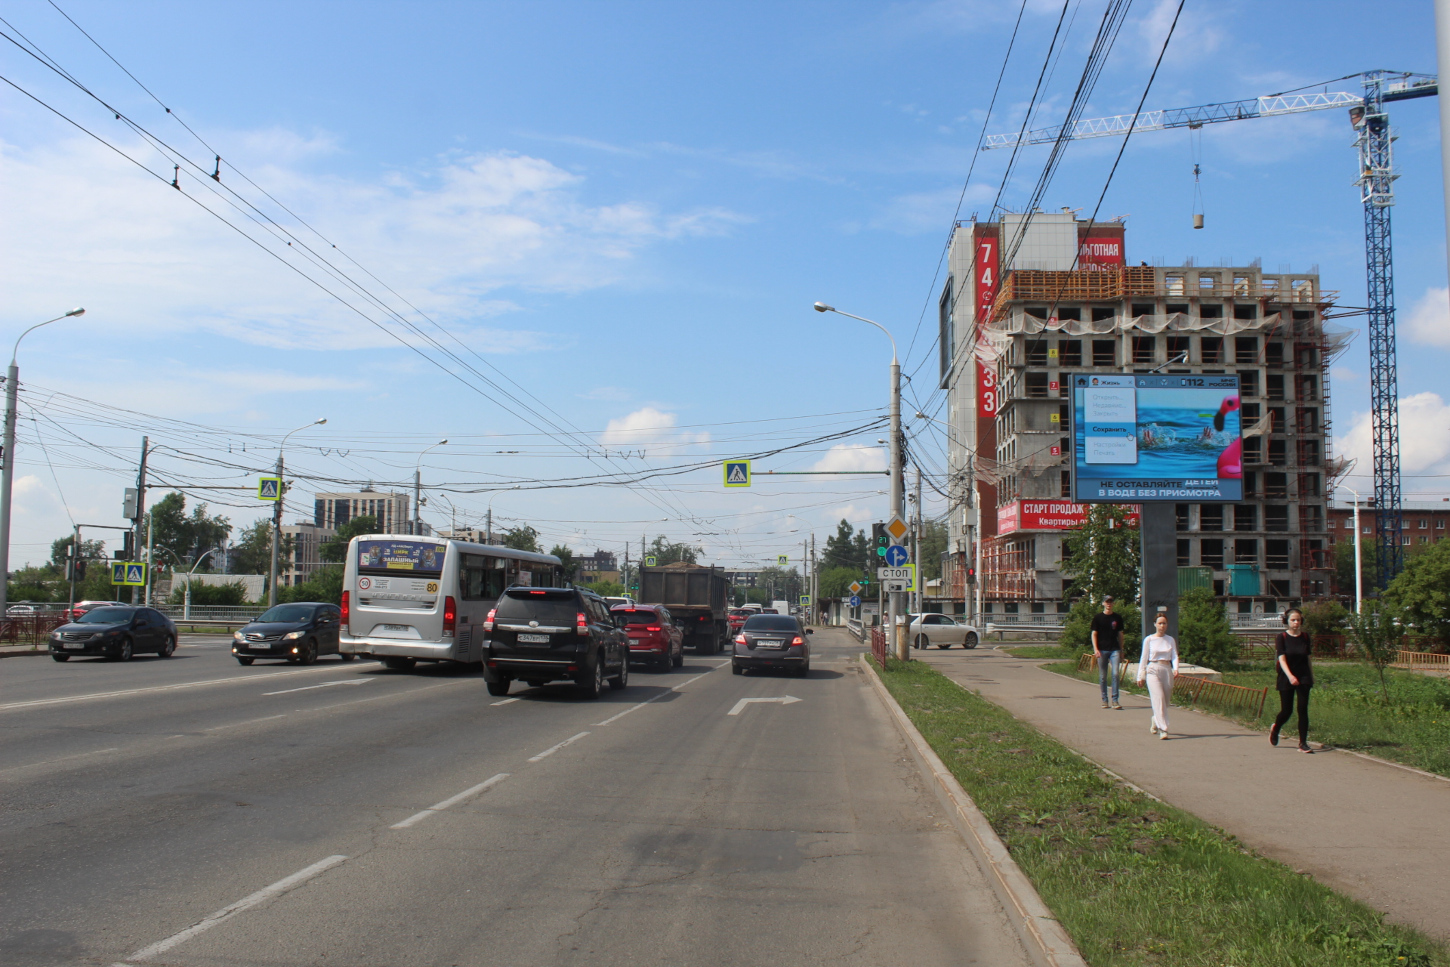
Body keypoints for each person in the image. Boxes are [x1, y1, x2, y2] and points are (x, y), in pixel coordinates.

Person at [1271, 607, 1315, 753]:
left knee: (1303, 709)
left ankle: (1303, 743)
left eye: (1299, 620)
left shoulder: (1306, 637)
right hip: (1286, 676)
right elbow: (1281, 658)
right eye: (1293, 620)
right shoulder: (1282, 637)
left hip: (1303, 676)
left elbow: (1308, 657)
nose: (1296, 623)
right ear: (1287, 621)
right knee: (1287, 710)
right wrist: (1290, 676)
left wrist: (1311, 676)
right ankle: (1276, 727)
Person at [1135, 612, 1179, 739]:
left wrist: (1176, 668)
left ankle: (1155, 719)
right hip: (1153, 669)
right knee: (1158, 698)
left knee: (1165, 701)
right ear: (1155, 624)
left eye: (1164, 623)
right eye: (1160, 623)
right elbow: (1143, 658)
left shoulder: (1170, 639)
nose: (1162, 626)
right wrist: (1140, 676)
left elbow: (1175, 655)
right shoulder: (1149, 639)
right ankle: (1163, 729)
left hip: (1166, 669)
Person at [1090, 595, 1126, 709]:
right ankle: (1104, 700)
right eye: (1107, 602)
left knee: (1115, 673)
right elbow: (1094, 634)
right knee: (1103, 676)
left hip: (1114, 649)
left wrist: (1121, 649)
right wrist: (1096, 649)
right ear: (1103, 603)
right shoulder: (1098, 618)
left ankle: (1115, 700)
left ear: (1113, 604)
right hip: (1102, 650)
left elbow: (1120, 634)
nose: (1109, 604)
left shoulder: (1117, 618)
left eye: (1111, 601)